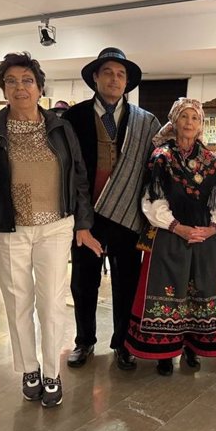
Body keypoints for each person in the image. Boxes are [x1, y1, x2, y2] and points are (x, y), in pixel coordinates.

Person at [0, 52, 101, 408]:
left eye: (27, 80)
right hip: (7, 230)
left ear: (40, 87)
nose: (20, 87)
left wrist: (83, 224)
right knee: (18, 302)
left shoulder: (60, 127)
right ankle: (29, 369)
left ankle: (52, 373)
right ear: (3, 88)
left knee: (53, 303)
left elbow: (79, 178)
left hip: (56, 227)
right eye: (11, 81)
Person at [63, 48, 162, 370]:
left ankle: (123, 342)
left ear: (128, 82)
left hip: (128, 215)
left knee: (127, 282)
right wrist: (76, 217)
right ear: (95, 77)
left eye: (121, 74)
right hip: (86, 216)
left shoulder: (145, 122)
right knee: (83, 281)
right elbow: (63, 170)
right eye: (108, 72)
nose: (114, 79)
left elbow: (157, 166)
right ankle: (84, 341)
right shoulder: (73, 118)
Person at [126, 98, 216, 376]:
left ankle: (191, 348)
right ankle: (164, 352)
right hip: (170, 236)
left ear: (200, 125)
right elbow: (152, 199)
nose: (189, 123)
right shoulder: (161, 157)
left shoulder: (210, 161)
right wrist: (175, 227)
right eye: (184, 117)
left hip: (203, 239)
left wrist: (212, 229)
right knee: (169, 291)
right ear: (174, 121)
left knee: (199, 291)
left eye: (195, 119)